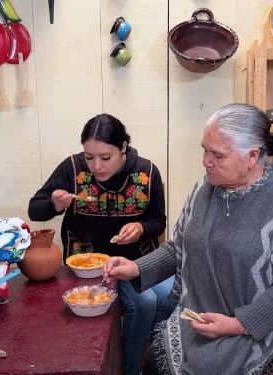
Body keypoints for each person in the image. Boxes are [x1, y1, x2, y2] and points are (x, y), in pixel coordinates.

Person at [103, 104, 273, 375]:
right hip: (205, 311)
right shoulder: (204, 188)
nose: (205, 160)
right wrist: (136, 268)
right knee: (154, 361)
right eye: (205, 149)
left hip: (267, 321)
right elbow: (180, 247)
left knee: (207, 365)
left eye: (217, 155)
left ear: (252, 155)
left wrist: (237, 324)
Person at [28, 113, 176, 375]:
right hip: (89, 265)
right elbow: (35, 210)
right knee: (144, 303)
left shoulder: (147, 172)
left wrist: (141, 227)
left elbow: (159, 222)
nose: (96, 166)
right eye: (89, 157)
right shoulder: (72, 168)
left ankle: (145, 356)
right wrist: (54, 204)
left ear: (123, 149)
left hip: (136, 261)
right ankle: (129, 368)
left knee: (170, 295)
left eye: (105, 157)